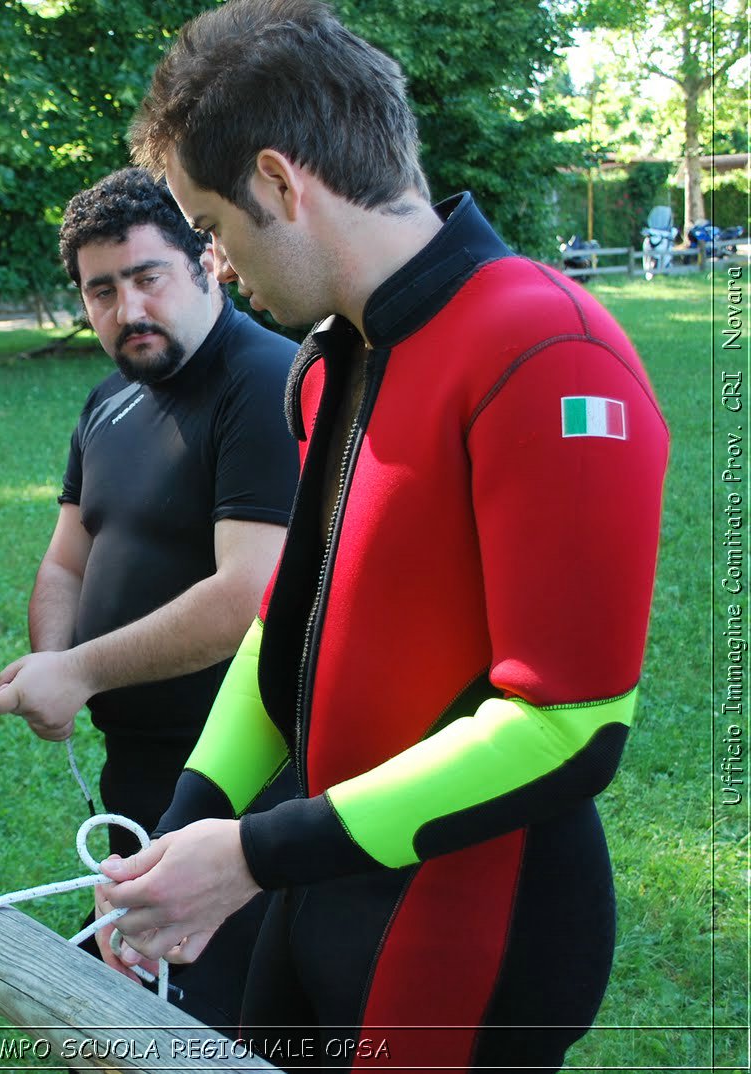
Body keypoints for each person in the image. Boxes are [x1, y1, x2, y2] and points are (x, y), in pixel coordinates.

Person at [101, 1, 669, 1068]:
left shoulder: (546, 350)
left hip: (473, 920)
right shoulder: (333, 359)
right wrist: (186, 826)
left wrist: (255, 853)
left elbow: (568, 727)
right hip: (323, 887)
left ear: (279, 181)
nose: (214, 266)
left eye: (211, 230)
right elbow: (284, 632)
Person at [0, 166, 298, 1029]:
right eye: (101, 290)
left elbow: (247, 593)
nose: (127, 310)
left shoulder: (265, 383)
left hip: (241, 780)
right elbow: (65, 562)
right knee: (119, 1004)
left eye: (146, 277)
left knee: (198, 1025)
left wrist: (80, 671)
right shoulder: (108, 400)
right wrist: (55, 660)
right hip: (134, 770)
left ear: (206, 258)